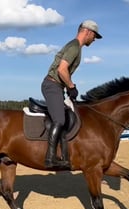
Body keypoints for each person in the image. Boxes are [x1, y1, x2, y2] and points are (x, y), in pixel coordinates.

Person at [41, 20, 102, 169]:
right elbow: (62, 69)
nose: (94, 40)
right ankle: (50, 158)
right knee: (60, 120)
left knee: (68, 116)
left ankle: (65, 155)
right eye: (94, 36)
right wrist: (71, 86)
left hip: (57, 86)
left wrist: (68, 88)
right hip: (52, 85)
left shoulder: (76, 47)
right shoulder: (74, 46)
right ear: (87, 32)